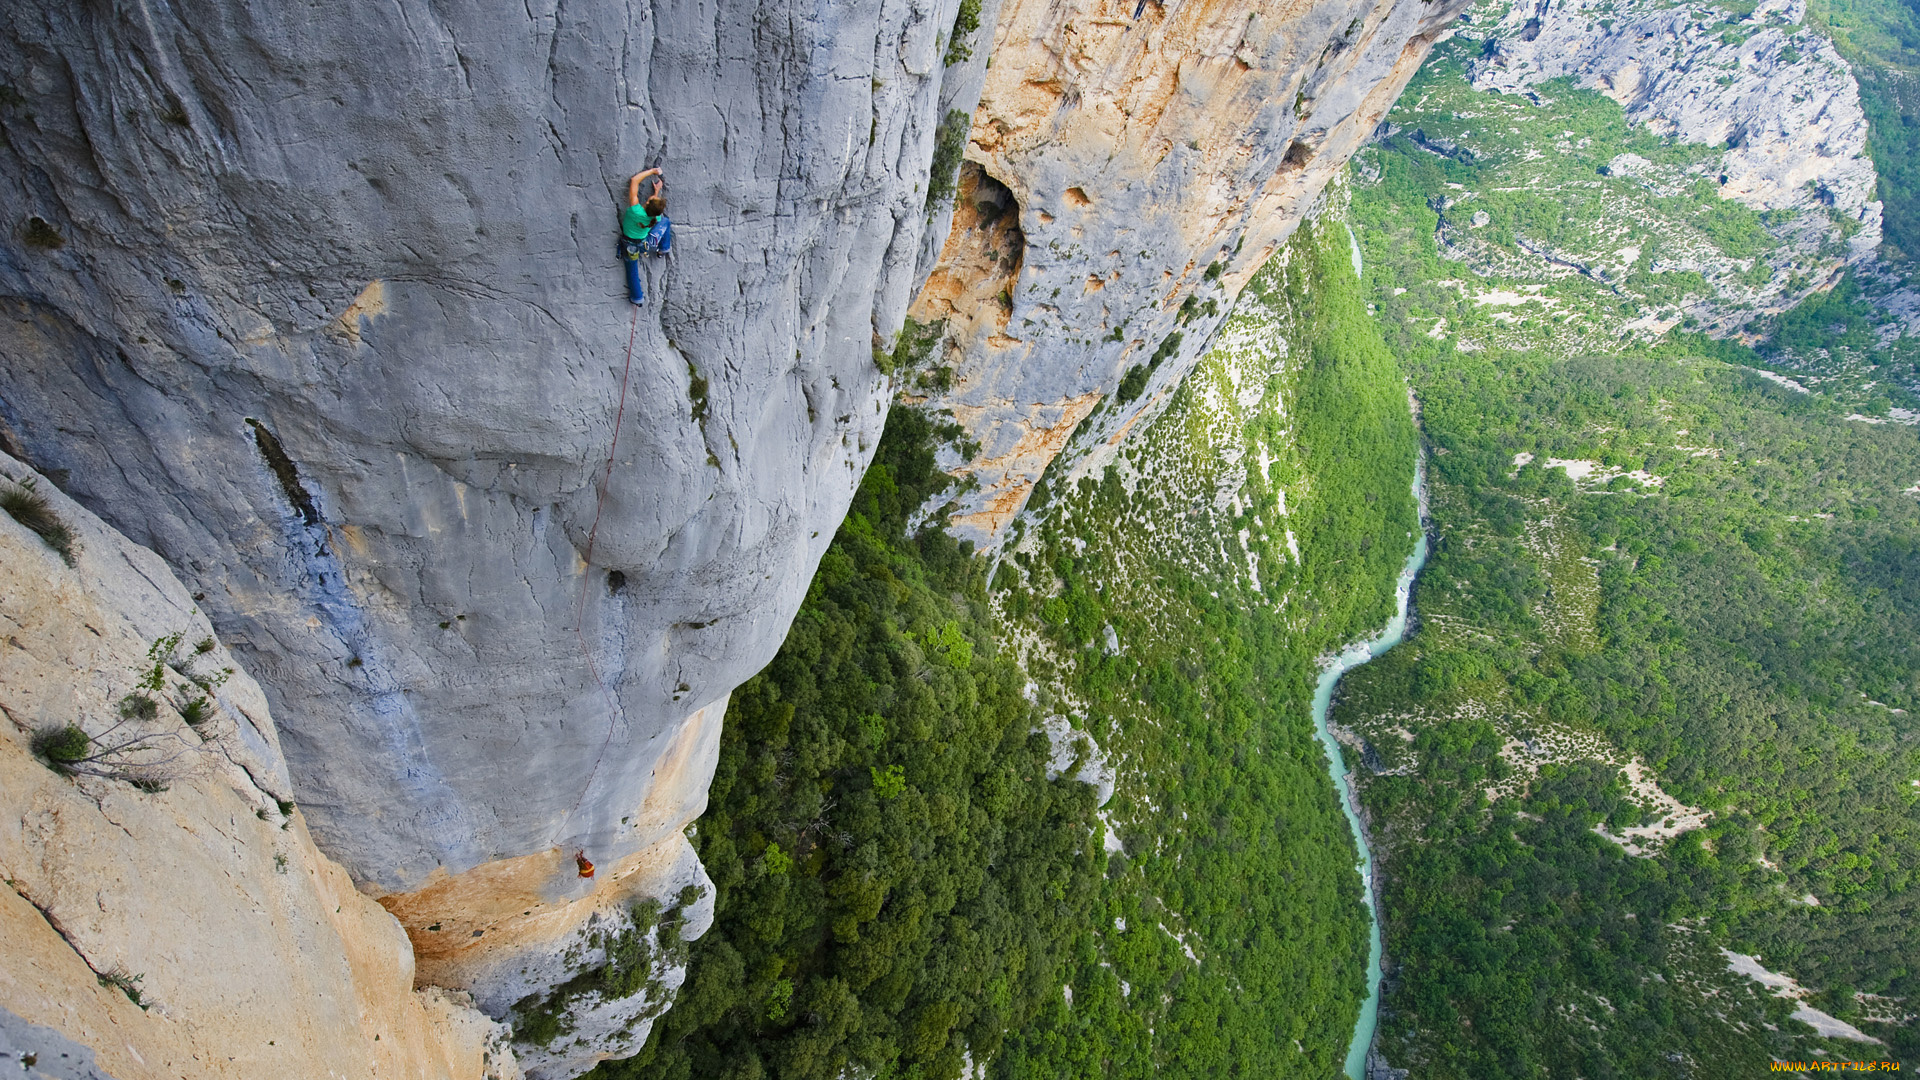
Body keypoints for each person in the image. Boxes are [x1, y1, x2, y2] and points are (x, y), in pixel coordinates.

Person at [619, 167, 672, 304]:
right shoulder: (656, 217)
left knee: (632, 270)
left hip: (630, 246)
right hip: (646, 244)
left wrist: (652, 171)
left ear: (647, 202)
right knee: (666, 222)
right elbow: (655, 211)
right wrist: (656, 191)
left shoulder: (635, 211)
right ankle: (663, 248)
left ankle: (637, 298)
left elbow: (634, 181)